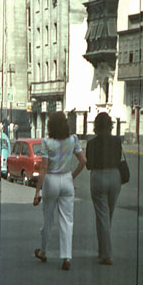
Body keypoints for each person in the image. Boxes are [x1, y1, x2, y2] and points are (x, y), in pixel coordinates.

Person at [33, 111, 86, 271]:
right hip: (67, 179)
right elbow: (83, 160)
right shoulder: (73, 139)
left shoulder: (46, 142)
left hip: (51, 180)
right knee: (67, 220)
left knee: (48, 219)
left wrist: (37, 192)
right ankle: (67, 256)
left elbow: (43, 167)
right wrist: (73, 175)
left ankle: (43, 251)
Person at [85, 112, 123, 266]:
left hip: (99, 177)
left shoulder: (91, 143)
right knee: (108, 216)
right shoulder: (117, 141)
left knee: (102, 216)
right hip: (115, 177)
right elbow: (119, 159)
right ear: (110, 125)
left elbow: (88, 165)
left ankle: (106, 254)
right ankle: (102, 251)